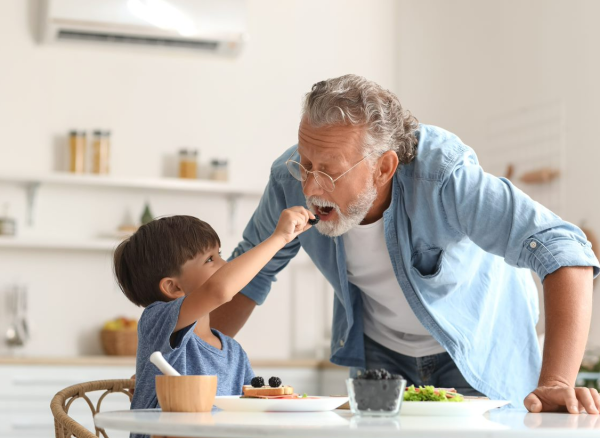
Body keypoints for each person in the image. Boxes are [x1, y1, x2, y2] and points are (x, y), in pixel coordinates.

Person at [211, 74, 600, 413]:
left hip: (473, 351)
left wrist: (556, 382)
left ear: (384, 167)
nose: (311, 187)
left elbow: (563, 250)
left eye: (329, 172)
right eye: (306, 164)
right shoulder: (287, 180)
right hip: (381, 356)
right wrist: (193, 366)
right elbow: (245, 278)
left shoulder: (444, 176)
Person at [113, 209, 315, 418]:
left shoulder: (234, 353)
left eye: (219, 254)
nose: (224, 264)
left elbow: (251, 411)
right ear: (173, 288)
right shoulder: (156, 320)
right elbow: (219, 290)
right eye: (210, 259)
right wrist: (280, 237)